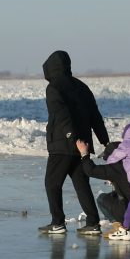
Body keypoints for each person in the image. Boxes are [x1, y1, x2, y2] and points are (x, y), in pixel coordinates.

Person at [38, 50, 110, 235]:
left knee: (52, 183)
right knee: (81, 183)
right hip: (82, 146)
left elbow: (61, 115)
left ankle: (58, 223)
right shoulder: (82, 87)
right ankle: (93, 223)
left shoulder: (53, 88)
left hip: (63, 146)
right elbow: (95, 116)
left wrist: (71, 137)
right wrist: (104, 140)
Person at [76, 140, 130, 237]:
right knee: (121, 195)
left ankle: (121, 228)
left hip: (129, 214)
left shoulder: (115, 168)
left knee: (101, 199)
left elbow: (90, 170)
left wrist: (84, 153)